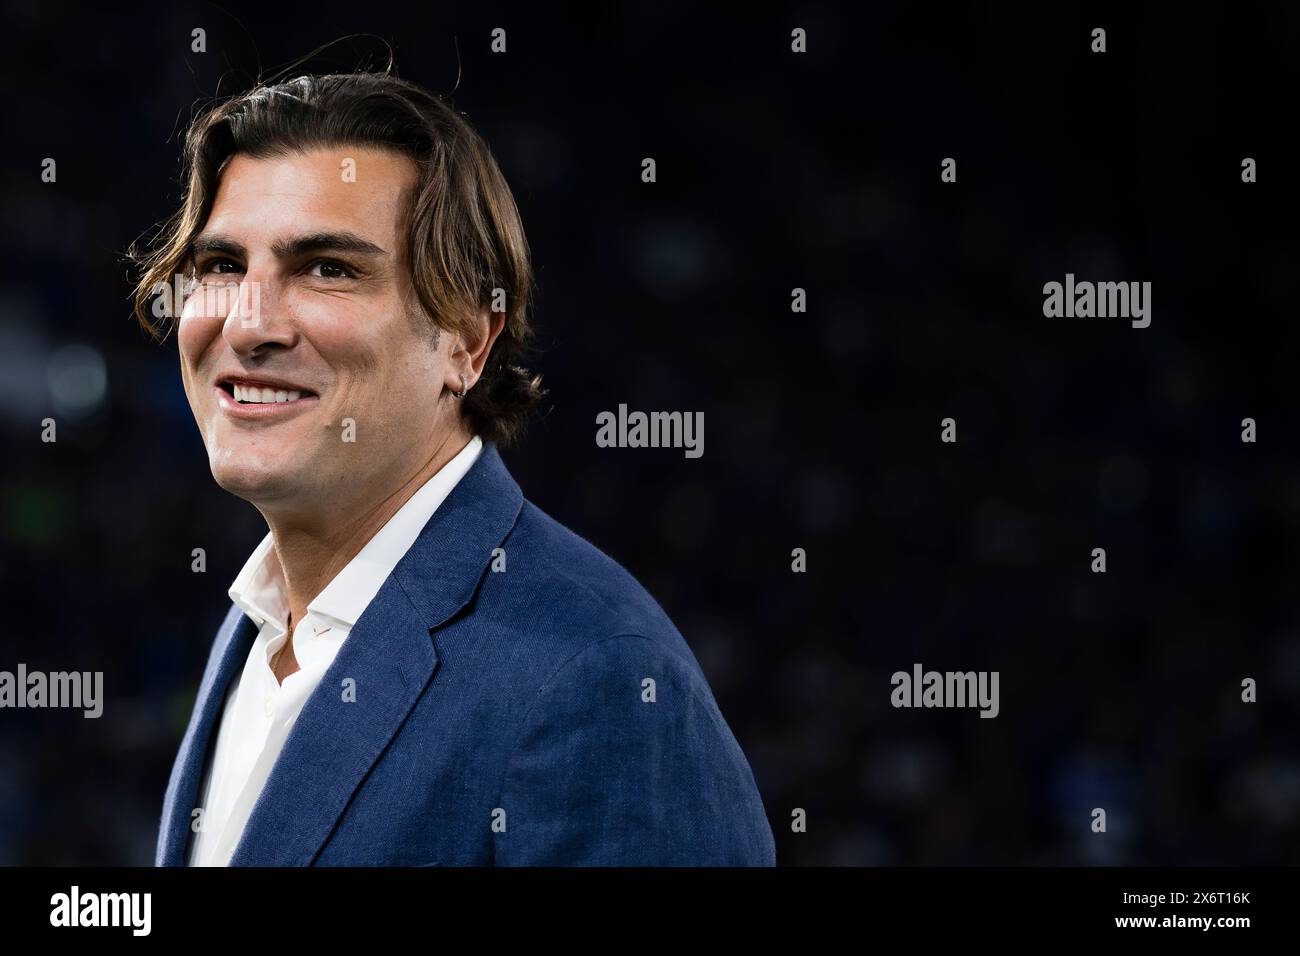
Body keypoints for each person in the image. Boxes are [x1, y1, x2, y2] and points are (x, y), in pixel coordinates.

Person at [132, 69, 775, 866]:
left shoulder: (601, 681)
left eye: (328, 267)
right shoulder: (259, 621)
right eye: (224, 265)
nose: (250, 322)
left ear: (468, 340)